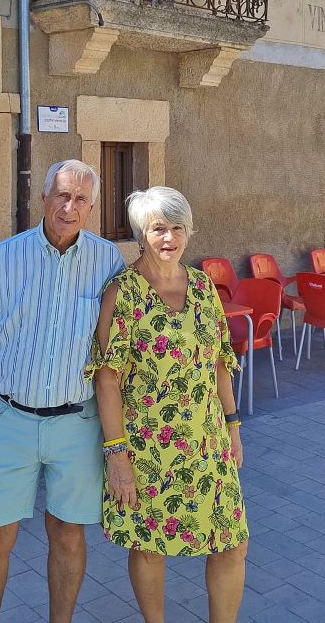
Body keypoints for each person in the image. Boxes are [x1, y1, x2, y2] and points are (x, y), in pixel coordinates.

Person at [0, 159, 126, 623]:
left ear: (91, 208)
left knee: (68, 535)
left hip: (77, 423)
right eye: (62, 195)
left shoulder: (108, 261)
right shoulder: (3, 257)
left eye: (80, 199)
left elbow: (118, 354)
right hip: (10, 420)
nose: (69, 207)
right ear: (44, 198)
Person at [86, 187, 248, 623]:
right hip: (148, 449)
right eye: (159, 228)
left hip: (208, 442)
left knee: (233, 542)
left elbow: (219, 363)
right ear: (142, 233)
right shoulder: (122, 293)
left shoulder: (201, 287)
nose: (169, 238)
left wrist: (233, 428)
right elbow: (107, 379)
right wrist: (116, 456)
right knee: (148, 546)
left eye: (178, 228)